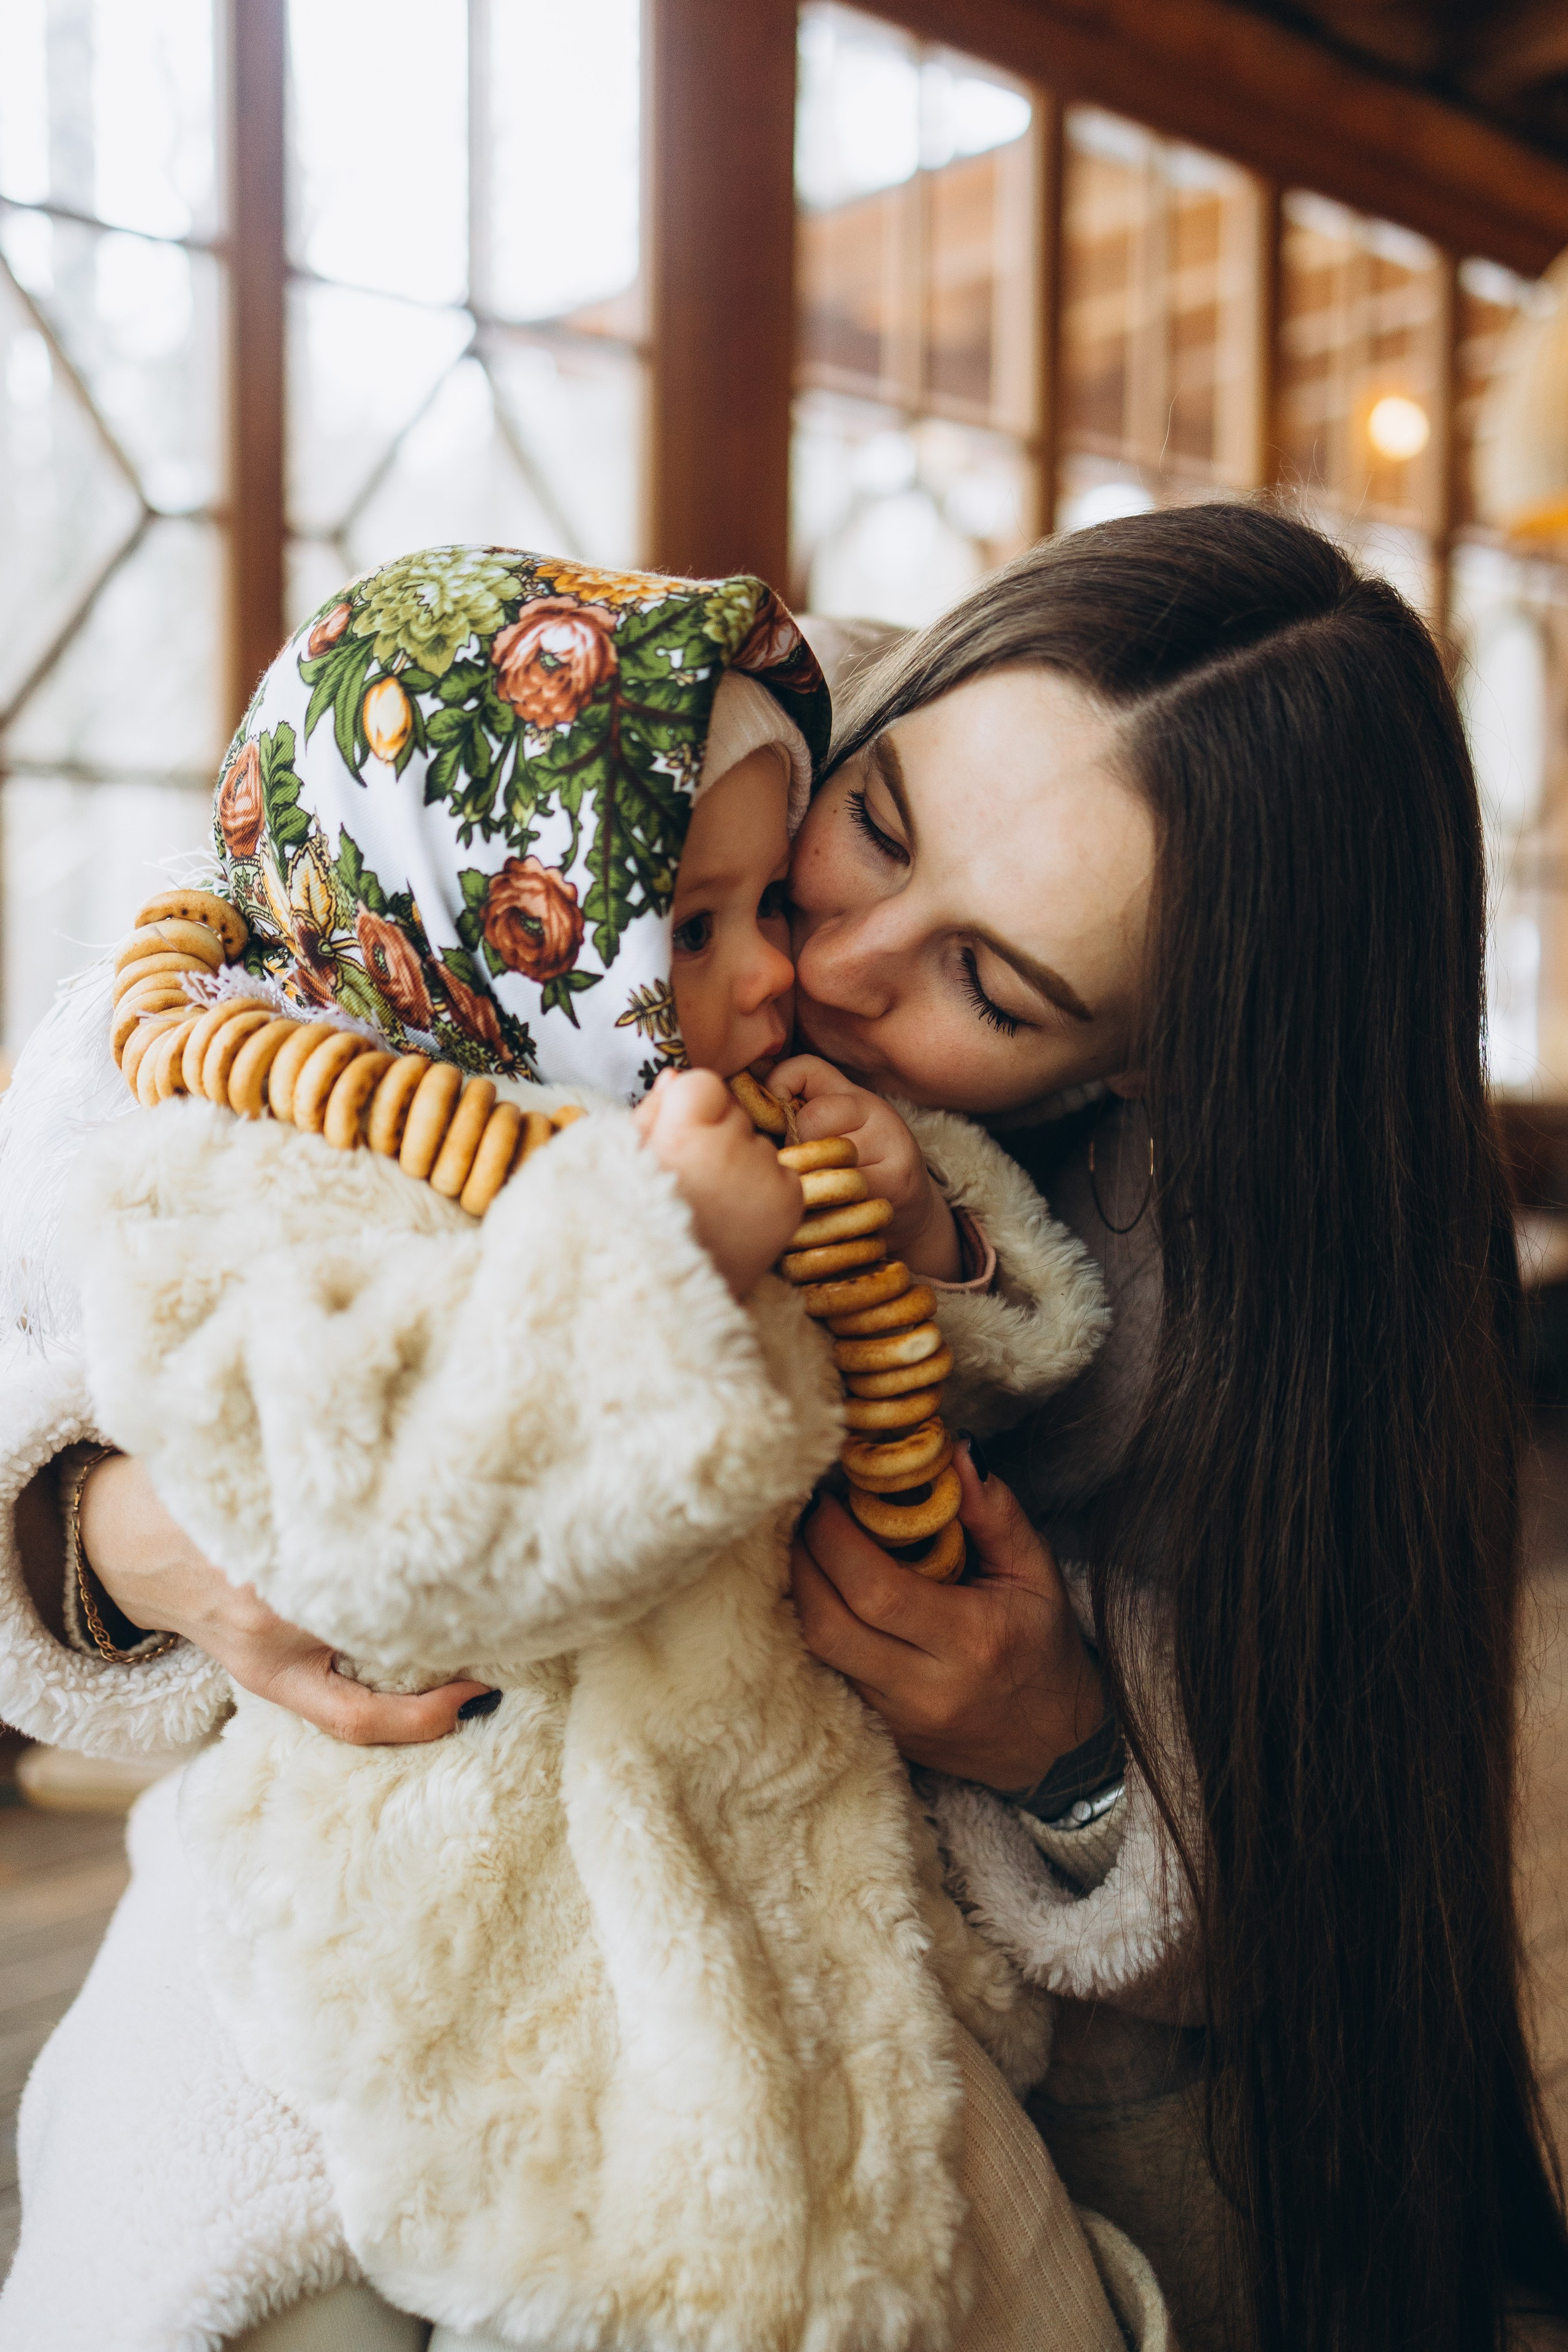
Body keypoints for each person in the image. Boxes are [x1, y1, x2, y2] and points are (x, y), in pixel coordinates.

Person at [3, 500, 1560, 2349]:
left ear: (1155, 1066)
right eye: (876, 827)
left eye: (991, 983)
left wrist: (1067, 1751)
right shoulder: (642, 772)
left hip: (850, 1954)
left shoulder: (1262, 1291)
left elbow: (1338, 1877)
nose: (826, 964)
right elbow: (98, 1242)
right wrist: (121, 1530)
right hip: (375, 1867)